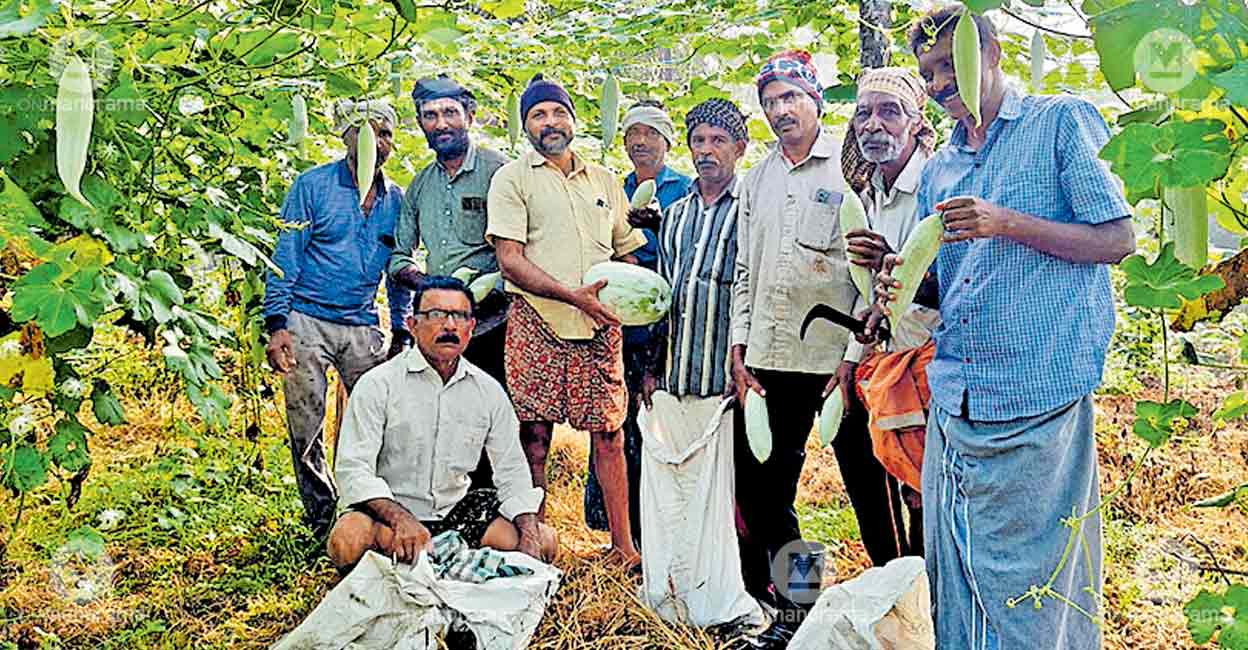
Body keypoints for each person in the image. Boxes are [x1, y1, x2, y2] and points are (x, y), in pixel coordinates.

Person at [869, 8, 1135, 649]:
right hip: (956, 393)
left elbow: (1118, 238)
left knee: (1032, 578)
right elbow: (948, 284)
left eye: (946, 66)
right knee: (956, 565)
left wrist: (1005, 222)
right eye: (927, 73)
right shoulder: (941, 167)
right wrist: (893, 277)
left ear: (991, 52)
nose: (937, 84)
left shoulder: (1058, 123)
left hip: (1036, 390)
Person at [486, 75, 647, 567]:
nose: (550, 123)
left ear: (574, 120)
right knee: (533, 436)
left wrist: (628, 294)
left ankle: (623, 547)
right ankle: (535, 543)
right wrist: (569, 296)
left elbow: (628, 253)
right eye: (538, 115)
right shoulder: (512, 179)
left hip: (600, 325)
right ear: (526, 126)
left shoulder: (604, 181)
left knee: (610, 434)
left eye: (558, 112)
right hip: (537, 319)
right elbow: (509, 259)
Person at [327, 275, 557, 572]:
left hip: (458, 515)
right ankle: (410, 563)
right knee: (347, 541)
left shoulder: (487, 391)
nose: (449, 326)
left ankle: (437, 563)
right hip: (390, 512)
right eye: (436, 315)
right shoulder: (378, 385)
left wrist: (528, 533)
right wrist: (401, 520)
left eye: (460, 316)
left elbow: (512, 470)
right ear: (412, 324)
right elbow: (354, 470)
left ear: (471, 328)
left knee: (545, 540)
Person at [263, 99, 412, 536]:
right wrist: (277, 324)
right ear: (344, 135)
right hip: (305, 318)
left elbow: (396, 269)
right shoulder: (312, 186)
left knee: (374, 424)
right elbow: (285, 255)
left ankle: (366, 510)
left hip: (362, 323)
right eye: (365, 132)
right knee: (306, 425)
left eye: (384, 133)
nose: (376, 142)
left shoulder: (395, 200)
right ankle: (322, 520)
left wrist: (400, 327)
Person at [835, 66, 943, 561]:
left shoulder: (935, 185)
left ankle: (931, 601)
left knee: (925, 493)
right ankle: (896, 580)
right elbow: (870, 292)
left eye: (888, 112)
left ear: (917, 123)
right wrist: (852, 355)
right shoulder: (868, 194)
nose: (872, 124)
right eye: (863, 113)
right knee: (879, 472)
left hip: (933, 362)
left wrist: (893, 265)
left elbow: (953, 288)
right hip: (887, 358)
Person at [389, 75, 511, 489]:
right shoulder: (420, 186)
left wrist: (490, 288)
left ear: (469, 117)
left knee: (495, 420)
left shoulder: (500, 173)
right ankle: (451, 511)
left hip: (496, 322)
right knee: (447, 423)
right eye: (430, 116)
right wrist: (427, 283)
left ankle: (499, 512)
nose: (441, 124)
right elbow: (399, 256)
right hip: (440, 326)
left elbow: (522, 246)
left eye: (449, 113)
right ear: (421, 124)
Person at [584, 100, 692, 544]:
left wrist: (661, 229)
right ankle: (619, 528)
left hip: (668, 330)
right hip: (616, 327)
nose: (641, 142)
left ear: (666, 141)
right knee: (614, 426)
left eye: (651, 134)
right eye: (633, 135)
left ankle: (663, 527)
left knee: (658, 426)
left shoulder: (685, 189)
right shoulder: (612, 187)